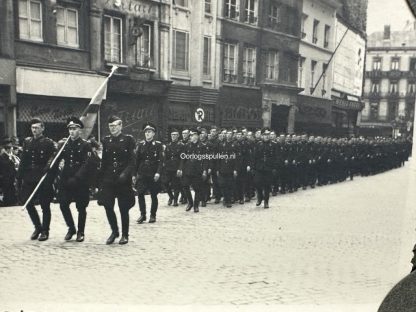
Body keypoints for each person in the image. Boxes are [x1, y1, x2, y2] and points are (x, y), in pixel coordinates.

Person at [17, 118, 57, 241]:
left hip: (43, 178)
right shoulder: (27, 142)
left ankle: (45, 231)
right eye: (33, 128)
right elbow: (23, 161)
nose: (34, 130)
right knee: (27, 202)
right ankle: (38, 227)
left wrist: (49, 170)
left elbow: (54, 159)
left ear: (42, 128)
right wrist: (19, 177)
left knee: (45, 205)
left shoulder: (48, 143)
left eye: (37, 127)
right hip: (29, 177)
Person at [98, 116, 136, 245]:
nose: (112, 128)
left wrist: (125, 174)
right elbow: (104, 162)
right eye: (110, 126)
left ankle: (125, 234)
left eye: (115, 126)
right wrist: (100, 181)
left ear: (120, 126)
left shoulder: (128, 140)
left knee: (123, 208)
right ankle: (114, 231)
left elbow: (132, 161)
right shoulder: (106, 141)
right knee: (108, 205)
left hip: (123, 179)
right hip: (109, 178)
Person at [56, 117, 93, 242]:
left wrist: (77, 177)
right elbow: (56, 158)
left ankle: (80, 231)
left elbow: (87, 164)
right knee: (63, 204)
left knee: (81, 207)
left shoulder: (85, 145)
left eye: (74, 129)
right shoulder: (64, 144)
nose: (71, 131)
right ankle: (71, 228)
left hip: (80, 181)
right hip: (66, 179)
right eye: (70, 129)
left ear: (80, 130)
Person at [135, 122, 163, 224]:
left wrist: (158, 173)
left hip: (153, 174)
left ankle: (153, 215)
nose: (147, 134)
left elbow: (161, 161)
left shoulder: (158, 145)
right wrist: (134, 174)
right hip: (142, 173)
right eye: (146, 132)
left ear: (153, 134)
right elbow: (137, 160)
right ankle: (143, 214)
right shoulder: (141, 145)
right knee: (140, 193)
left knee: (153, 195)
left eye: (149, 132)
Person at [179, 128, 207, 213]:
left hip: (197, 170)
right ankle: (190, 202)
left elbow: (205, 160)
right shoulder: (187, 146)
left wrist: (204, 170)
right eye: (190, 135)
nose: (191, 137)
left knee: (197, 188)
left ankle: (196, 205)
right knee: (185, 186)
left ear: (197, 136)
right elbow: (182, 159)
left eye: (193, 135)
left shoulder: (202, 146)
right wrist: (180, 168)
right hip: (187, 170)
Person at [162, 129, 184, 207]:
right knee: (165, 182)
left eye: (175, 135)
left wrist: (180, 168)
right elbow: (165, 157)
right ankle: (171, 197)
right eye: (172, 135)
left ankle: (175, 200)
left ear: (178, 136)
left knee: (176, 184)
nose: (173, 136)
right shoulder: (168, 145)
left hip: (176, 167)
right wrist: (164, 165)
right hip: (168, 167)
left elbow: (182, 158)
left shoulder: (181, 145)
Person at [0, 138, 18, 206]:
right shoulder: (3, 156)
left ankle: (11, 201)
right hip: (5, 176)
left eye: (10, 147)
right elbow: (4, 165)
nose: (10, 149)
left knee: (11, 188)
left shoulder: (10, 156)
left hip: (11, 175)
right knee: (7, 189)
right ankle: (8, 201)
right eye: (8, 147)